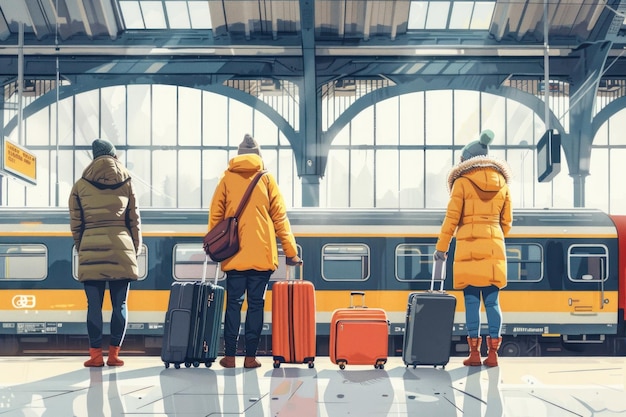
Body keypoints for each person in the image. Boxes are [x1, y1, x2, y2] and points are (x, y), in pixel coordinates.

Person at [209, 133, 301, 369]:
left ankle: (229, 357)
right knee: (256, 304)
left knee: (233, 304)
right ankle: (250, 357)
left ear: (238, 156)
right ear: (258, 156)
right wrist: (291, 252)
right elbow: (280, 218)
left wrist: (214, 248)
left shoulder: (226, 179)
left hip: (234, 253)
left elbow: (216, 217)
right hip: (261, 253)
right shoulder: (267, 179)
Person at [434, 129, 512, 367]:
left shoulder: (462, 182)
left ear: (466, 158)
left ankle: (475, 354)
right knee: (492, 303)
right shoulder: (503, 185)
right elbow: (506, 223)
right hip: (494, 250)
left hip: (467, 248)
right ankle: (494, 355)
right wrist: (494, 237)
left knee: (471, 304)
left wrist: (442, 247)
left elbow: (451, 219)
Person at [69, 138, 142, 367]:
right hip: (123, 249)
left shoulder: (80, 185)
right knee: (120, 305)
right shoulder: (128, 181)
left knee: (94, 306)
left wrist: (83, 247)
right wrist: (134, 249)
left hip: (91, 248)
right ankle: (114, 355)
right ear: (113, 155)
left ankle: (95, 357)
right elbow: (135, 221)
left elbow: (76, 223)